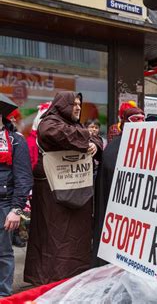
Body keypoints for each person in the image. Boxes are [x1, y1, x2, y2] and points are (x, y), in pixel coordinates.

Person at [24, 91, 103, 286]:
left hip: (78, 192)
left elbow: (96, 140)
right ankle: (50, 281)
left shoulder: (76, 125)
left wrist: (94, 145)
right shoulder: (49, 122)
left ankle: (73, 279)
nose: (77, 107)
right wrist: (88, 136)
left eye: (79, 104)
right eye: (73, 103)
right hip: (53, 196)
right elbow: (54, 134)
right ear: (62, 105)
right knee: (54, 241)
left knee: (77, 240)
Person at [92, 107, 145, 267]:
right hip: (117, 211)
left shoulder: (149, 146)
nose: (141, 124)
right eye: (136, 120)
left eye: (143, 119)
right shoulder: (114, 148)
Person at [0, 113, 33, 297]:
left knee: (3, 253)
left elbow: (24, 178)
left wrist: (16, 209)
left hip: (4, 204)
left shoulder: (16, 141)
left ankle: (2, 295)